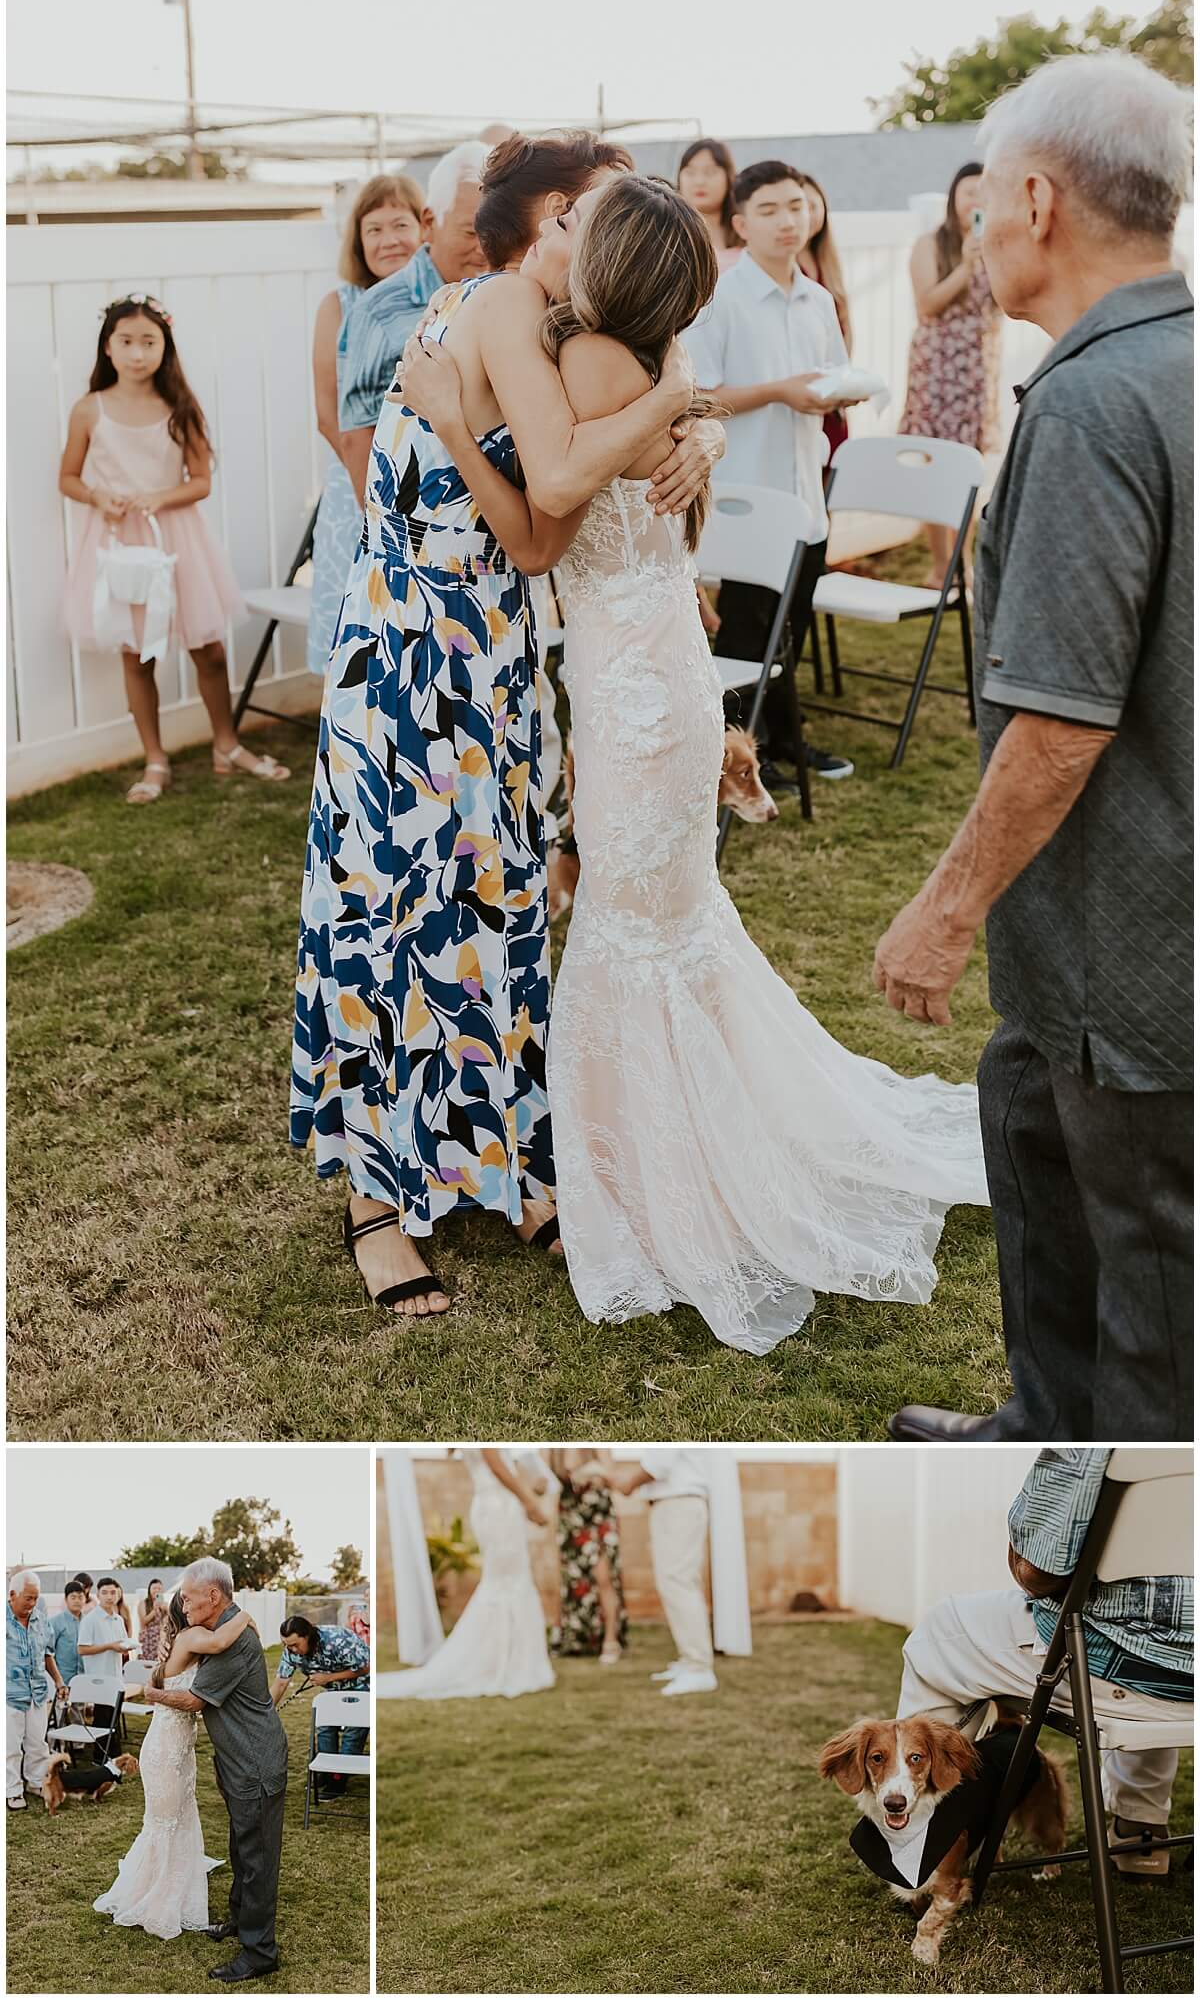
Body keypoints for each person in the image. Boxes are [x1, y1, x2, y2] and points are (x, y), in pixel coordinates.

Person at [405, 176, 989, 1356]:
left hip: (635, 691)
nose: (561, 238)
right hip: (648, 670)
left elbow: (538, 526)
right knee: (658, 925)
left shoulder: (591, 366)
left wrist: (455, 424)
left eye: (584, 226)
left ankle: (664, 1186)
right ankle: (671, 1152)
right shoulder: (645, 361)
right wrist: (695, 400)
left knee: (632, 931)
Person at [291, 133, 715, 1321]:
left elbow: (588, 445)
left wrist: (690, 426)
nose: (611, 232)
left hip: (489, 663)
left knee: (500, 904)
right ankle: (377, 1203)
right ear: (555, 220)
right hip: (421, 666)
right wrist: (680, 402)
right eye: (598, 211)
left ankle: (508, 1166)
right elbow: (542, 524)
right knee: (396, 914)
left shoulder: (530, 325)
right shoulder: (493, 307)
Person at [878, 52, 1193, 1444]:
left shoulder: (1088, 402)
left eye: (990, 203)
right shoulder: (1175, 362)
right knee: (1033, 1145)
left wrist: (943, 913)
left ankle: (1127, 1539)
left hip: (1128, 935)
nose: (979, 231)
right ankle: (1039, 1421)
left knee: (1154, 1273)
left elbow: (1064, 717)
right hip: (1105, 933)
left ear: (1039, 199)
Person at [898, 1449, 1192, 1874]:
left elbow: (1037, 1569)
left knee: (940, 1635)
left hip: (1120, 1663)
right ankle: (1139, 1836)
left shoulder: (1104, 1424)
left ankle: (925, 1849)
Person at [60, 294, 290, 804]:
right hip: (121, 545)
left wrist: (158, 497)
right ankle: (155, 758)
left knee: (207, 648)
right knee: (136, 653)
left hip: (178, 540)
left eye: (149, 342)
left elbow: (201, 480)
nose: (138, 353)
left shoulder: (179, 407)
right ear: (108, 347)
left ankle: (226, 744)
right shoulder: (88, 410)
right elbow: (69, 478)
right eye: (126, 342)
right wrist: (100, 496)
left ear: (165, 348)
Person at [685, 160, 870, 782]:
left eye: (796, 206)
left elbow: (832, 378)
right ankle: (744, 754)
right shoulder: (717, 299)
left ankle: (786, 742)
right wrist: (780, 392)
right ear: (739, 224)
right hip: (745, 492)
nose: (788, 220)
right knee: (749, 627)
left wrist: (838, 394)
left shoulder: (818, 299)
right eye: (768, 210)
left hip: (804, 488)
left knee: (794, 619)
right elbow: (699, 398)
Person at [141, 1557, 289, 1985]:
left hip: (255, 1761)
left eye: (188, 1598)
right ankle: (241, 1921)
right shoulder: (221, 1631)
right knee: (243, 1845)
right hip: (237, 1758)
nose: (183, 1604)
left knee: (258, 1857)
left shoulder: (236, 1641)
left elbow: (194, 1701)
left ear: (214, 1596)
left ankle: (260, 1952)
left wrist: (153, 1694)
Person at [308, 173, 425, 676]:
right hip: (356, 487)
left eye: (399, 224)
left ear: (425, 228)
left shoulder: (442, 297)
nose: (387, 240)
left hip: (435, 489)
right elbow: (327, 414)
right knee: (358, 640)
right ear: (357, 240)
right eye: (373, 229)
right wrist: (376, 483)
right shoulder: (341, 306)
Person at [336, 141, 491, 503]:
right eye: (470, 233)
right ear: (428, 222)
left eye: (494, 230)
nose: (485, 246)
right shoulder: (377, 308)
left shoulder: (509, 291)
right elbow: (357, 432)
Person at [94, 1588, 251, 1943]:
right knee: (164, 1823)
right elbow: (224, 1639)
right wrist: (245, 1614)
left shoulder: (179, 1642)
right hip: (165, 1749)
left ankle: (176, 1887)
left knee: (180, 1819)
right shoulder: (191, 1636)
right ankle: (152, 1896)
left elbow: (153, 1686)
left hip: (179, 1747)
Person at [898, 161, 1002, 587]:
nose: (975, 200)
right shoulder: (930, 245)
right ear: (954, 198)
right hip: (938, 366)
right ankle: (940, 564)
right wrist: (964, 266)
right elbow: (928, 305)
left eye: (984, 192)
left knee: (968, 466)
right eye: (967, 192)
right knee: (933, 461)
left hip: (979, 366)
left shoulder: (999, 246)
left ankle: (963, 562)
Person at [380, 1449, 555, 1700]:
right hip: (498, 1506)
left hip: (496, 1503)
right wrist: (530, 1502)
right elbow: (497, 1466)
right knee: (507, 1584)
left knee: (509, 1582)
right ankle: (502, 1664)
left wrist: (527, 1491)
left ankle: (508, 1660)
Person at [606, 1453, 717, 1696]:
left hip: (679, 1502)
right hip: (673, 1503)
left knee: (678, 1582)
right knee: (674, 1582)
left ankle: (699, 1668)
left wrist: (629, 1482)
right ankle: (690, 1661)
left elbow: (662, 1458)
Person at [795, 171, 854, 476]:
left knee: (830, 484)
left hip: (832, 399)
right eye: (797, 206)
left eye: (812, 205)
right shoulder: (787, 270)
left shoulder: (828, 265)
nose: (805, 214)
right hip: (800, 398)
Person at [271, 1615, 369, 1793]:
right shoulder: (290, 1652)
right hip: (333, 1691)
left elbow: (366, 1667)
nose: (291, 1649)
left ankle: (339, 1777)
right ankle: (327, 1770)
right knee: (325, 1728)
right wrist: (266, 1712)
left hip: (361, 1686)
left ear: (307, 1636)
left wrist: (329, 1677)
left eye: (295, 1644)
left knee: (352, 1732)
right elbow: (280, 1682)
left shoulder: (338, 1639)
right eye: (287, 1644)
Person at [548, 1451, 627, 1663]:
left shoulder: (595, 1445)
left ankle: (611, 1639)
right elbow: (545, 1480)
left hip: (598, 1513)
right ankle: (570, 1637)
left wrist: (594, 1470)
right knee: (570, 1578)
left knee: (603, 1577)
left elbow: (613, 1478)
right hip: (571, 1513)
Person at [7, 1571, 67, 1809]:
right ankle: (12, 1790)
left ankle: (34, 1781)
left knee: (37, 1743)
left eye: (36, 1599)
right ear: (13, 1594)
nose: (32, 1604)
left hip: (38, 1692)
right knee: (10, 1746)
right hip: (10, 1694)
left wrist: (60, 1682)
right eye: (28, 1598)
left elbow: (47, 1654)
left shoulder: (41, 1619)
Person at [79, 1575, 136, 1759]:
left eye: (113, 1592)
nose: (109, 1596)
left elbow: (122, 1642)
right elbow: (82, 1649)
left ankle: (113, 1758)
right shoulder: (90, 1620)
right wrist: (110, 1646)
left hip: (115, 1676)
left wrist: (128, 1645)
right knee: (103, 1720)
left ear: (118, 1594)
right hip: (98, 1678)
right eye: (105, 1592)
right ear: (98, 1594)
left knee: (113, 1718)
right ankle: (102, 1758)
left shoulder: (118, 1619)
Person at [677, 136, 743, 269]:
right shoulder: (670, 233)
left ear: (729, 177)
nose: (699, 181)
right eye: (690, 172)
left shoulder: (747, 231)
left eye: (710, 172)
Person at [49, 1578, 87, 1687]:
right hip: (63, 1679)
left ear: (85, 1599)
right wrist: (56, 1679)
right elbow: (48, 1653)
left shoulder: (89, 1622)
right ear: (66, 1600)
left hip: (84, 1677)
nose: (77, 1601)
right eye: (73, 1597)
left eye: (80, 1597)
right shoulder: (55, 1622)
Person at [137, 1577, 166, 1671]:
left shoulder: (164, 1604)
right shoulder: (143, 1603)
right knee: (147, 1666)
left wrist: (165, 1609)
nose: (156, 1590)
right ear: (149, 1589)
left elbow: (169, 1621)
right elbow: (143, 1622)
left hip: (160, 1638)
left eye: (159, 1588)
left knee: (159, 1664)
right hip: (147, 1638)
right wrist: (154, 1610)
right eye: (154, 1588)